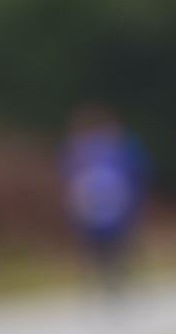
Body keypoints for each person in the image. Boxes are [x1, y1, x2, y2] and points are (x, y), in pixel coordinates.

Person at [61, 106, 149, 290]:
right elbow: (139, 173)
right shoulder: (120, 147)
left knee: (102, 248)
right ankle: (117, 279)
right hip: (116, 209)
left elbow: (68, 181)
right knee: (117, 246)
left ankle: (106, 280)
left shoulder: (76, 152)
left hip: (92, 211)